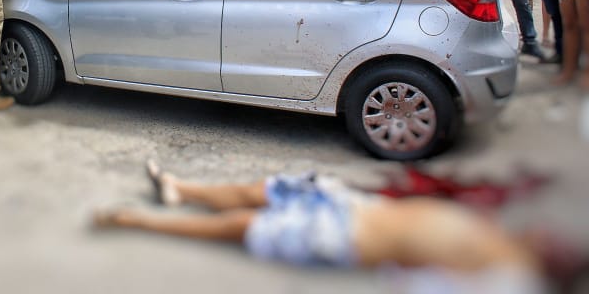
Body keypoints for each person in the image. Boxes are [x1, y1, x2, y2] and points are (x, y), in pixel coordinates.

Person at [93, 161, 561, 291]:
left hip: (344, 236)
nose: (548, 234)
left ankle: (139, 220)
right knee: (263, 189)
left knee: (242, 225)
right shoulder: (503, 237)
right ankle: (180, 190)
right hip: (353, 205)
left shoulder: (508, 280)